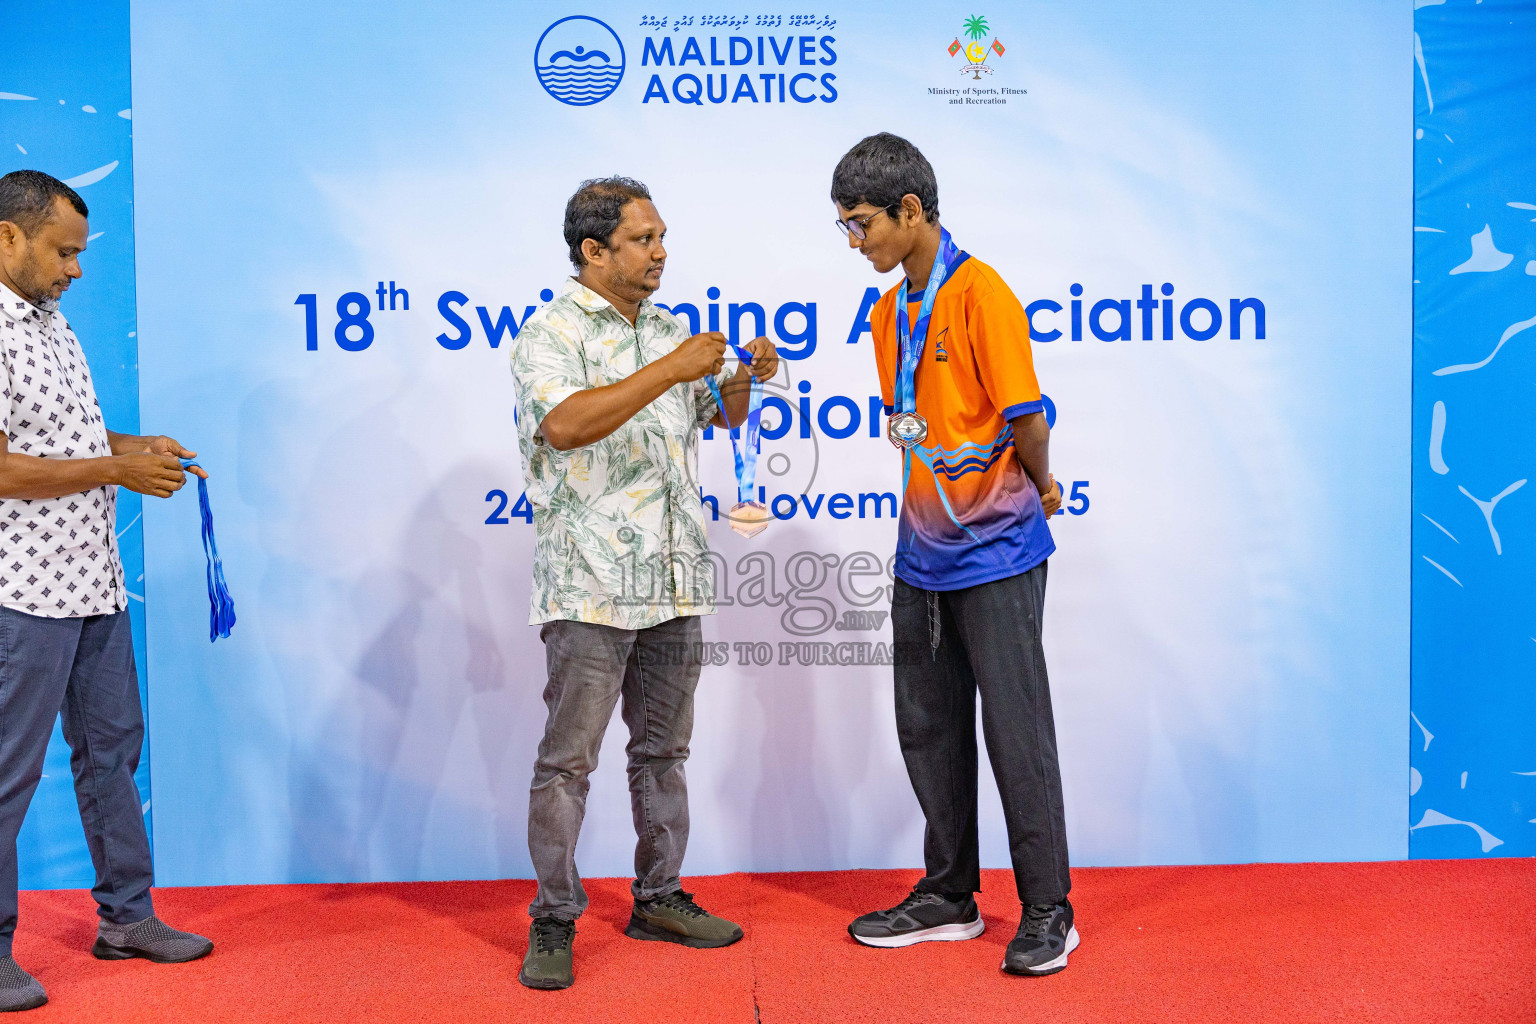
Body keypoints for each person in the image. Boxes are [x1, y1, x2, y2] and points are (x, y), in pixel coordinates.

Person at [508, 177, 778, 990]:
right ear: (595, 251)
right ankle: (554, 917)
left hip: (673, 579)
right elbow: (565, 425)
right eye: (643, 239)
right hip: (589, 585)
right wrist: (670, 370)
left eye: (661, 236)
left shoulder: (665, 330)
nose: (662, 251)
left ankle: (659, 897)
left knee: (663, 753)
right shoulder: (550, 332)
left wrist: (746, 377)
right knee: (568, 763)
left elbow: (715, 415)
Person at [829, 134, 1078, 976]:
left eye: (861, 223)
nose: (853, 241)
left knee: (1016, 731)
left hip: (998, 549)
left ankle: (1048, 908)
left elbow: (1026, 417)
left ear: (910, 210)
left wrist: (1040, 483)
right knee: (929, 728)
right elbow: (911, 419)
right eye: (843, 227)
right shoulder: (886, 313)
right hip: (920, 552)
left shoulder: (982, 294)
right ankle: (949, 894)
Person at [0, 170, 215, 1012]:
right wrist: (113, 469)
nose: (76, 269)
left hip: (92, 582)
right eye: (63, 252)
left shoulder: (50, 322)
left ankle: (127, 918)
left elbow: (63, 439)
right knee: (8, 773)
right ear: (8, 237)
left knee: (112, 754)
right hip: (20, 593)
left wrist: (131, 446)